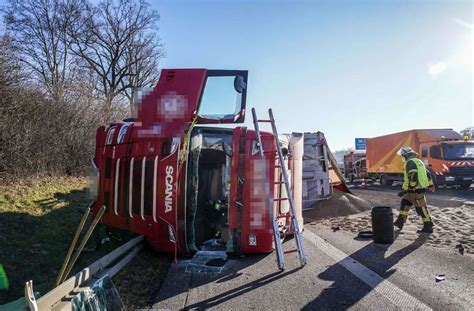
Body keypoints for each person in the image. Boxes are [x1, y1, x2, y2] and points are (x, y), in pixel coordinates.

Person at [393, 147, 435, 233]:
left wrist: (411, 188)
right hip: (420, 188)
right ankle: (400, 221)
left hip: (415, 189)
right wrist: (431, 184)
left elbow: (413, 176)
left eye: (403, 156)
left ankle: (428, 225)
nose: (402, 158)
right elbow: (428, 173)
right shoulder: (419, 161)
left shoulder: (410, 162)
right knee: (405, 202)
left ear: (407, 155)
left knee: (420, 207)